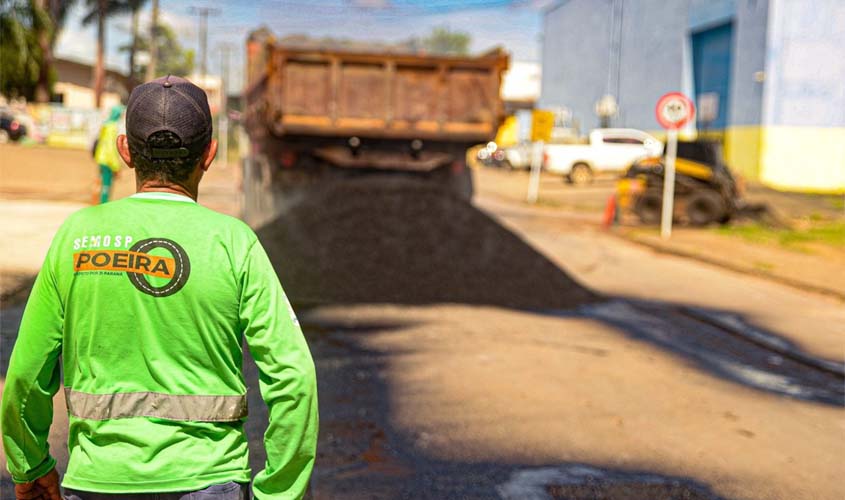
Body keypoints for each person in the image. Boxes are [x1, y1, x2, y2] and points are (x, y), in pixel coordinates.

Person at [0, 76, 319, 500]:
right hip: (211, 482)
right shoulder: (234, 242)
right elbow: (294, 378)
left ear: (125, 152)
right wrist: (280, 491)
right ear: (210, 153)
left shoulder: (77, 236)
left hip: (96, 483)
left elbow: (25, 375)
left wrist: (30, 465)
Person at [93, 105, 125, 204]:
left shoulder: (105, 125)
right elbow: (111, 148)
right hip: (107, 160)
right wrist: (116, 166)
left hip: (100, 158)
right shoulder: (112, 128)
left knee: (101, 183)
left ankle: (97, 202)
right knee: (106, 185)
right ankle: (103, 205)